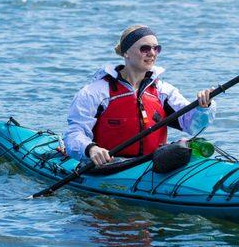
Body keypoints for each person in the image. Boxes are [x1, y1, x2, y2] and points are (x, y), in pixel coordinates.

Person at [64, 25, 216, 166]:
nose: (152, 53)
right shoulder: (95, 92)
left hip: (153, 164)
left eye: (156, 48)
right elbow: (74, 132)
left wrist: (203, 107)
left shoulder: (163, 91)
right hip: (109, 166)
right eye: (145, 48)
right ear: (126, 53)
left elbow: (192, 125)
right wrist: (90, 149)